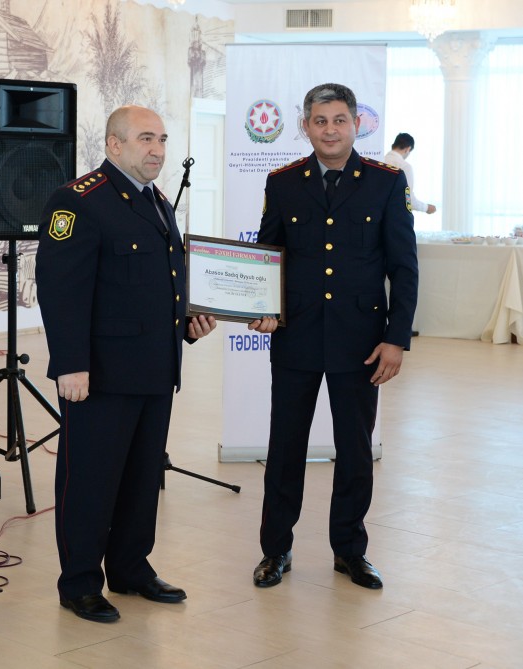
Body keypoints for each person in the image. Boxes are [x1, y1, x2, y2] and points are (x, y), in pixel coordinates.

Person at [35, 105, 216, 623]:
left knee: (141, 478)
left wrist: (187, 323)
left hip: (155, 367)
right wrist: (70, 364)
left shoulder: (155, 199)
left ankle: (131, 567)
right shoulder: (78, 201)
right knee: (90, 481)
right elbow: (61, 290)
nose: (157, 150)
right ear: (114, 144)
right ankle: (80, 583)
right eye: (145, 139)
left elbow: (161, 283)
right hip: (101, 375)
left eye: (162, 139)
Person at [247, 83, 418, 590]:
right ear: (305, 126)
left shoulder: (386, 183)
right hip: (296, 336)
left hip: (360, 341)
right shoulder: (283, 183)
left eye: (339, 120)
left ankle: (350, 550)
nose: (330, 130)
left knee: (356, 451)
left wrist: (396, 338)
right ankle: (275, 550)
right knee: (285, 449)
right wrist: (263, 308)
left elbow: (404, 269)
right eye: (320, 121)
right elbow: (268, 256)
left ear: (356, 124)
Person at [384, 132, 437, 214]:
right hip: (396, 215)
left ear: (393, 145)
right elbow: (408, 199)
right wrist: (426, 208)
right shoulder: (404, 166)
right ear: (408, 149)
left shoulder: (378, 161)